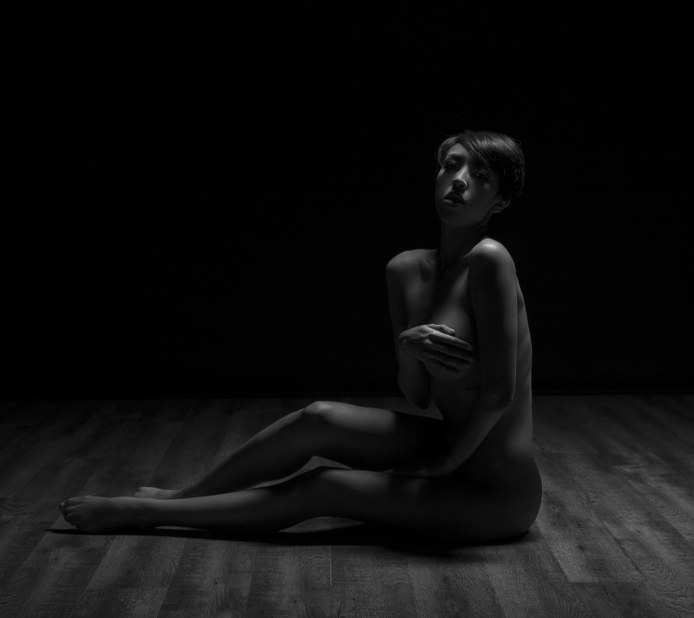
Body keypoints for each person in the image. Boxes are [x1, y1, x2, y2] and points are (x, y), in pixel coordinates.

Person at [59, 129, 542, 545]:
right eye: (451, 165)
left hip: (494, 488)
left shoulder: (490, 258)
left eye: (480, 175)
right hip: (447, 445)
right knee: (318, 417)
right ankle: (185, 496)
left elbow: (499, 393)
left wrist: (437, 469)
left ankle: (147, 513)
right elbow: (417, 395)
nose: (458, 180)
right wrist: (409, 347)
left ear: (499, 200)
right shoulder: (406, 270)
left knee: (325, 486)